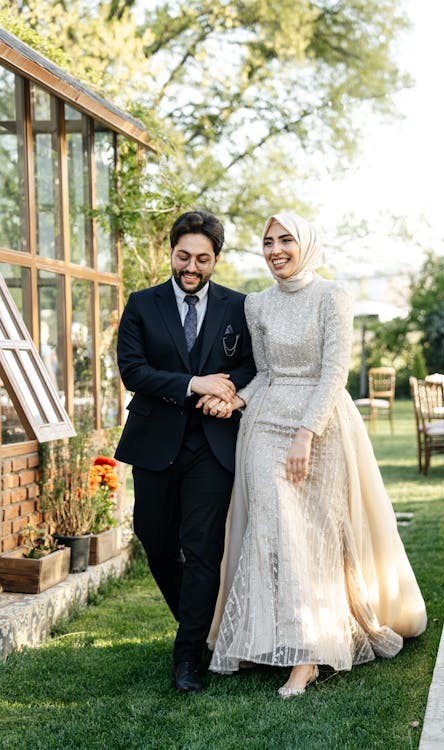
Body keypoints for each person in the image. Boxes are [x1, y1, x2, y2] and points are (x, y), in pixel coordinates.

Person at [204, 211, 427, 698]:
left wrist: (306, 433)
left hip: (322, 426)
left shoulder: (333, 295)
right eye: (268, 241)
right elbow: (263, 373)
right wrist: (234, 399)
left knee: (313, 534)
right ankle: (264, 635)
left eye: (286, 239)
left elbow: (334, 373)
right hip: (263, 425)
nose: (276, 249)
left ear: (306, 243)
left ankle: (306, 657)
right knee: (272, 527)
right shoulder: (257, 305)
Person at [114, 210, 256, 694]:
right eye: (183, 256)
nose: (191, 267)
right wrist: (195, 383)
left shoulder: (239, 306)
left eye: (202, 258)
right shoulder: (141, 304)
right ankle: (196, 625)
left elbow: (252, 363)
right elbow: (133, 370)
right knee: (155, 541)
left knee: (202, 550)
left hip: (213, 447)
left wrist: (231, 390)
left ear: (216, 259)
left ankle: (189, 654)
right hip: (155, 442)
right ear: (170, 253)